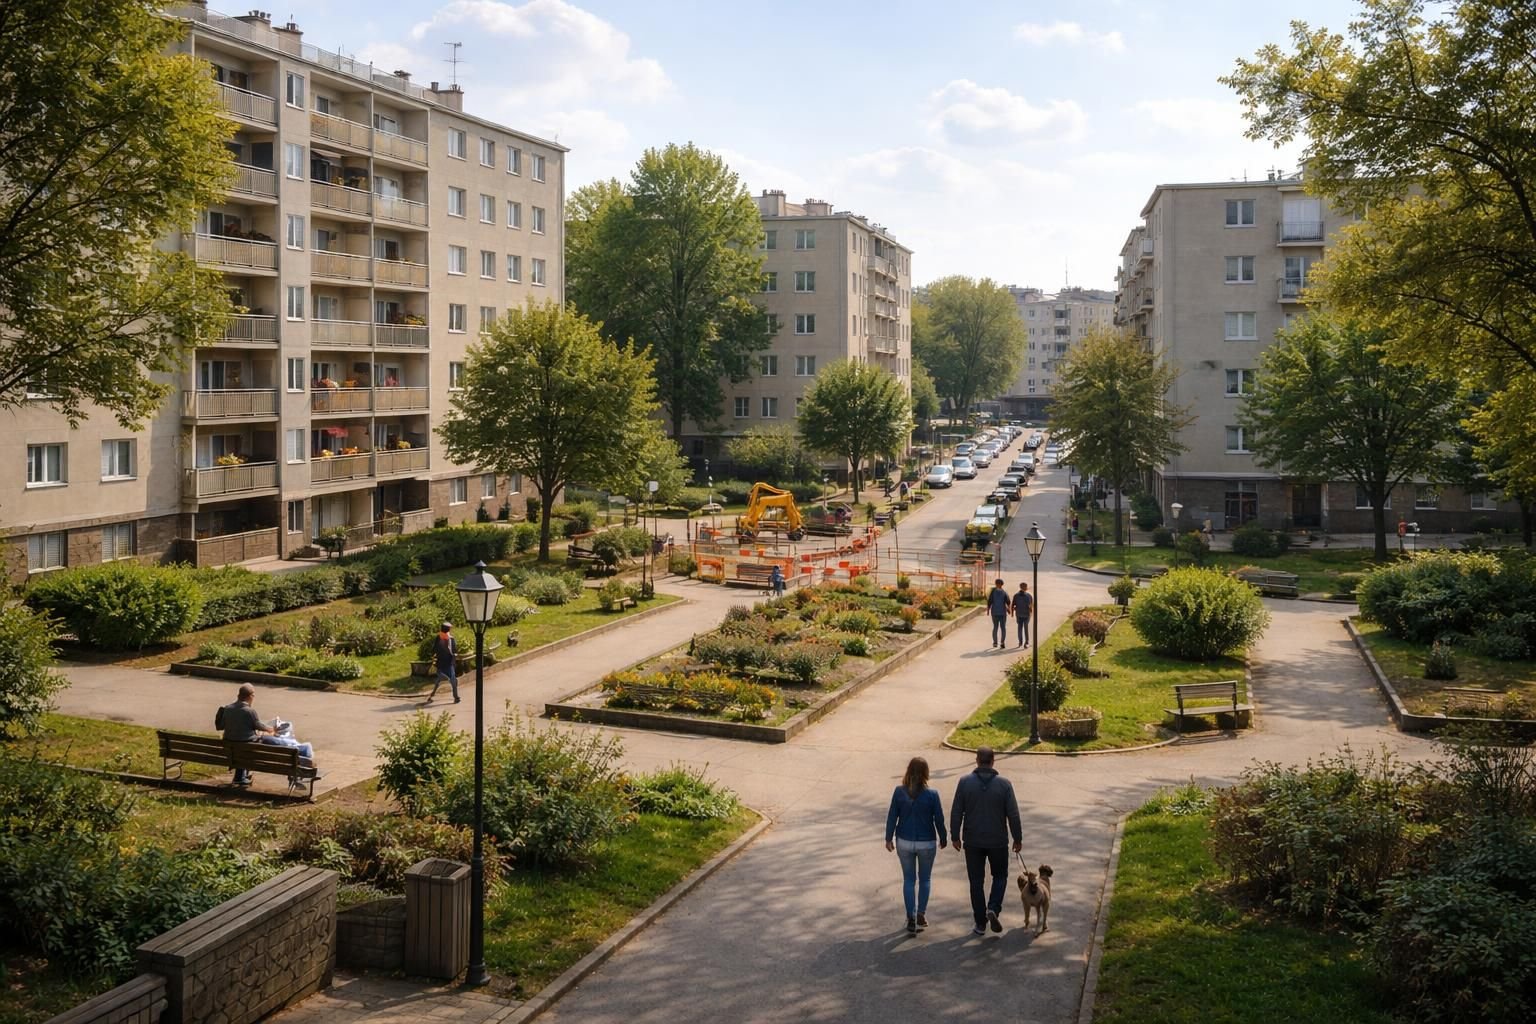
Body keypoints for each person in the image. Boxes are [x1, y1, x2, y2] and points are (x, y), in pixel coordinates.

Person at [950, 747, 1023, 936]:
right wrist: (1017, 838)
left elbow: (957, 810)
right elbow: (1013, 814)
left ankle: (980, 922)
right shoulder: (1004, 784)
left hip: (972, 840)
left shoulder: (965, 782)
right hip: (997, 840)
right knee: (1000, 876)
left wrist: (955, 836)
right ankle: (993, 907)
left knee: (976, 882)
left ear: (976, 760)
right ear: (993, 761)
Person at [885, 756, 948, 935]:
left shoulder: (899, 792)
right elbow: (939, 819)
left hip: (904, 841)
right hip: (926, 842)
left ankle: (910, 916)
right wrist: (943, 838)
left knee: (909, 880)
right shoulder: (932, 795)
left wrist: (888, 838)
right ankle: (921, 914)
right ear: (926, 774)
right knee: (925, 879)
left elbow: (892, 816)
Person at [217, 683, 273, 786]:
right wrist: (269, 729)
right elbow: (258, 725)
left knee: (240, 744)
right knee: (254, 742)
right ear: (250, 696)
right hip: (245, 747)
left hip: (229, 745)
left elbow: (222, 725)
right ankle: (240, 777)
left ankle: (241, 775)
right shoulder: (249, 711)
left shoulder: (228, 708)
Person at [427, 622, 460, 703]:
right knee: (453, 681)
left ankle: (432, 695)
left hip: (442, 664)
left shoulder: (439, 637)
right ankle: (456, 697)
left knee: (440, 680)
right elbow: (455, 651)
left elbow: (433, 650)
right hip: (448, 664)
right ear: (448, 629)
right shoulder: (450, 638)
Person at [986, 578, 1011, 649]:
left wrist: (988, 610)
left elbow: (989, 602)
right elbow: (1008, 602)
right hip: (1002, 613)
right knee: (1003, 628)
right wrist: (1009, 609)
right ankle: (1002, 643)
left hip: (994, 612)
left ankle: (995, 642)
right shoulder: (1004, 592)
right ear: (1002, 584)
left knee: (995, 627)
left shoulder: (993, 592)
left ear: (996, 584)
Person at [1012, 582, 1033, 649]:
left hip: (1019, 614)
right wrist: (1031, 613)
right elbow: (1031, 606)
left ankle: (1020, 642)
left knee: (1019, 628)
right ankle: (1026, 642)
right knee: (1025, 628)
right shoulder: (1028, 596)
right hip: (1026, 615)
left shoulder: (1016, 595)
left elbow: (1013, 604)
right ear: (1025, 588)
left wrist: (1012, 613)